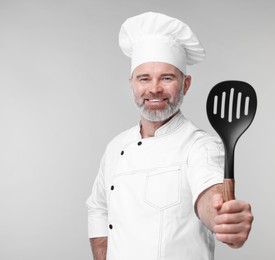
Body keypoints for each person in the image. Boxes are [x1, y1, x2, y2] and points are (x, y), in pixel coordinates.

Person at [86, 12, 253, 260]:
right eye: (144, 78)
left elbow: (209, 195)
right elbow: (98, 208)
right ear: (132, 83)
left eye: (166, 77)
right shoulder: (115, 147)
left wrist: (224, 219)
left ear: (185, 84)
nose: (154, 88)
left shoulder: (200, 146)